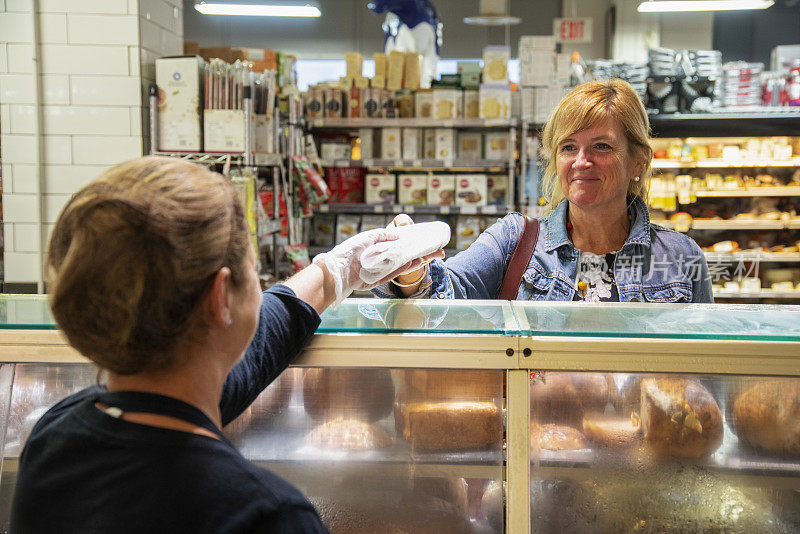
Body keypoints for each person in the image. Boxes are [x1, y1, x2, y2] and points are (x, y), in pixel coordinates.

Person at [9, 156, 436, 533]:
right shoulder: (266, 516)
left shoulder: (53, 439)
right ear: (220, 298)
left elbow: (235, 364)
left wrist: (336, 273)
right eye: (254, 271)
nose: (262, 287)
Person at [375, 79, 713, 303]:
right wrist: (411, 269)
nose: (582, 161)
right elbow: (446, 290)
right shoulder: (515, 241)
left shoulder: (682, 257)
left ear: (638, 161)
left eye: (602, 146)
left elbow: (705, 371)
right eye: (568, 147)